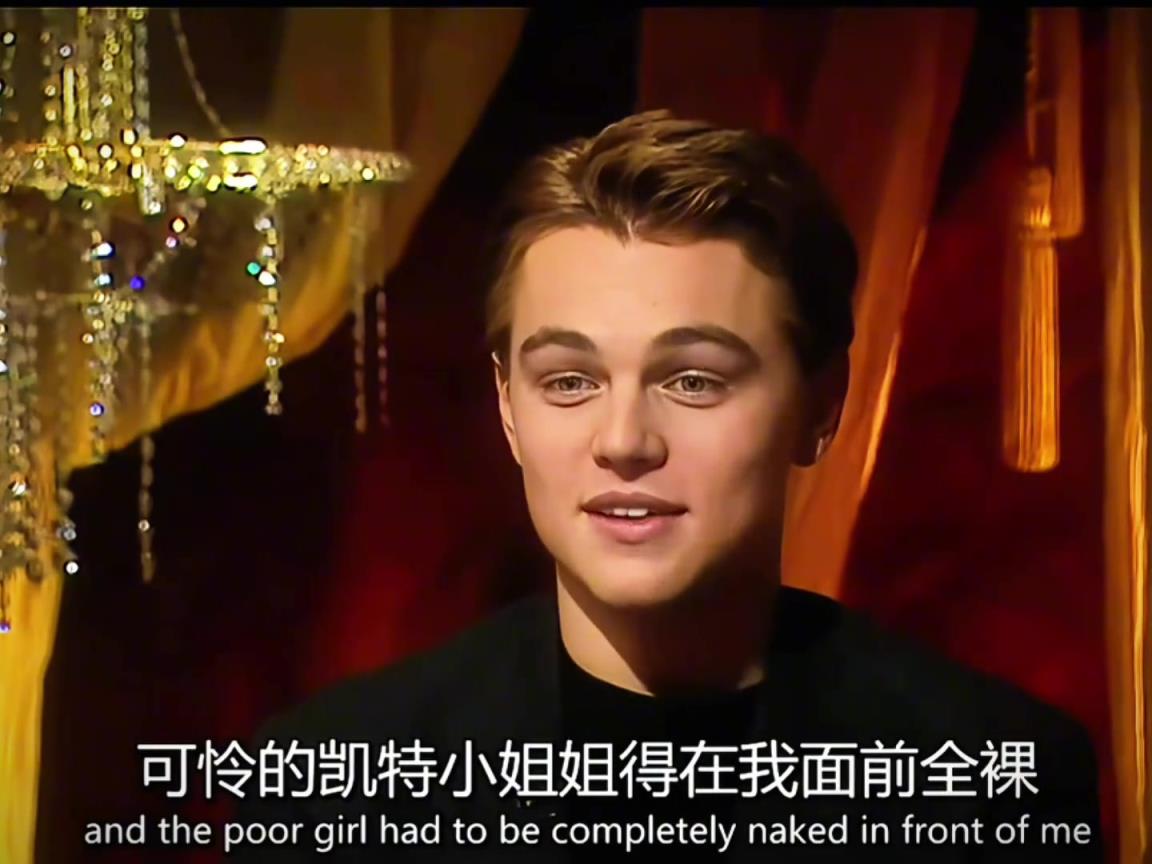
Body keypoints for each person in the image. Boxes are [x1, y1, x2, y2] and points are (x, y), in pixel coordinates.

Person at [228, 110, 1103, 862]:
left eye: (693, 380)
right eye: (569, 381)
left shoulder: (991, 782)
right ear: (507, 409)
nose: (624, 442)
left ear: (819, 403)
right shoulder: (335, 786)